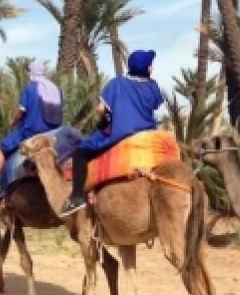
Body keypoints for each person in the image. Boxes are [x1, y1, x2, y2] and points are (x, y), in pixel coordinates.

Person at [60, 49, 163, 217]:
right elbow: (154, 106)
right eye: (150, 65)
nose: (152, 67)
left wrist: (103, 122)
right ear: (145, 68)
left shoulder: (116, 83)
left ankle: (77, 197)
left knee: (80, 153)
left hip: (120, 134)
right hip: (147, 134)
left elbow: (100, 109)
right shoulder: (153, 86)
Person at [0, 60, 64, 199]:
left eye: (28, 72)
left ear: (32, 72)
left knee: (2, 147)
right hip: (53, 132)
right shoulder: (56, 90)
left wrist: (13, 121)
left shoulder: (30, 88)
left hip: (30, 131)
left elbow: (21, 112)